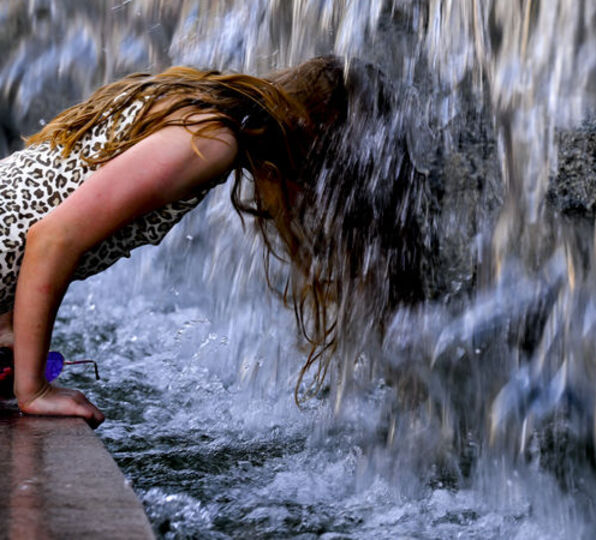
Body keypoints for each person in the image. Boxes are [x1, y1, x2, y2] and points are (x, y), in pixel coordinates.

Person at [0, 56, 426, 427]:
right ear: (317, 134)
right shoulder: (212, 139)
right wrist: (34, 389)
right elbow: (51, 238)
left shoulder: (194, 102)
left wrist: (8, 326)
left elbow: (27, 210)